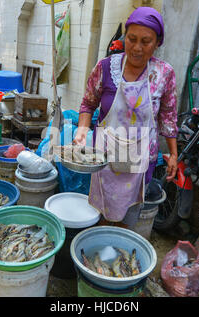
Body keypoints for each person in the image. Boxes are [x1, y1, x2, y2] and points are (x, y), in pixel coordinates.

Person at [73, 7, 178, 228]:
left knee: (130, 216)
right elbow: (88, 103)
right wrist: (82, 130)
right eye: (132, 39)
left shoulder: (164, 74)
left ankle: (118, 244)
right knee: (101, 213)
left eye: (146, 41)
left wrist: (174, 154)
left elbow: (168, 117)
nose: (137, 48)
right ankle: (98, 246)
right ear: (124, 37)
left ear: (158, 43)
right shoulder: (105, 68)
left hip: (140, 160)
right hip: (104, 157)